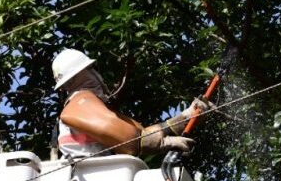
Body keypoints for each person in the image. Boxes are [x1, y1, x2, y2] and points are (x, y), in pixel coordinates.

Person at [52, 48, 205, 158]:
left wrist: (186, 116)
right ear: (85, 72)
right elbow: (132, 140)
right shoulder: (80, 101)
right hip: (91, 179)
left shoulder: (90, 106)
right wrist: (162, 142)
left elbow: (140, 133)